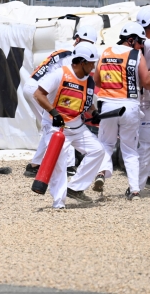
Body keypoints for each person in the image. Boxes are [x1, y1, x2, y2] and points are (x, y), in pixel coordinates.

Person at [32, 42, 104, 209]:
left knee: (98, 151)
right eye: (91, 63)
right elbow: (38, 94)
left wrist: (94, 113)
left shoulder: (89, 81)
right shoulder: (60, 74)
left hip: (75, 125)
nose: (93, 67)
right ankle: (59, 203)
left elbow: (86, 103)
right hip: (55, 125)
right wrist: (54, 113)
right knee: (60, 161)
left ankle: (75, 188)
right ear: (81, 62)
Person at [23, 25, 98, 178]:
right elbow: (69, 81)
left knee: (50, 128)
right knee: (62, 123)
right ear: (78, 40)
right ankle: (68, 166)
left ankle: (35, 165)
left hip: (32, 85)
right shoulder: (73, 56)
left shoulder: (64, 50)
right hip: (41, 90)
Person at [91, 22, 150, 201]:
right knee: (130, 149)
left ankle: (101, 173)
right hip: (129, 106)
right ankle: (134, 190)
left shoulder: (106, 51)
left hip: (107, 105)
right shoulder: (136, 54)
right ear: (131, 40)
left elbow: (97, 81)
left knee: (105, 144)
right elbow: (146, 81)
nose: (142, 46)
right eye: (140, 42)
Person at [136, 8, 150, 194]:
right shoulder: (146, 45)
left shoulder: (138, 45)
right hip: (145, 99)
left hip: (140, 99)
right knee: (145, 145)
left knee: (143, 144)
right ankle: (137, 185)